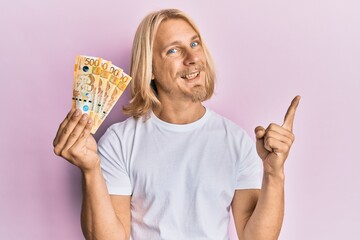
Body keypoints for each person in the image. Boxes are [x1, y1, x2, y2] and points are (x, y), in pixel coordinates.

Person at [53, 8, 300, 240]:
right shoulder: (120, 142)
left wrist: (274, 173)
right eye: (174, 50)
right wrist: (90, 170)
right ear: (150, 69)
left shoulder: (236, 140)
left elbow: (257, 237)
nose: (193, 58)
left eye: (195, 44)